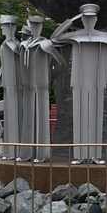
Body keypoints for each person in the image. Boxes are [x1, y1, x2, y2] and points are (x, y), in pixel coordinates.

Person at [52, 4, 107, 165]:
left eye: (91, 18)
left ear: (95, 19)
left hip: (97, 81)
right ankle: (79, 156)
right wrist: (72, 20)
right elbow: (55, 37)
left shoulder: (106, 37)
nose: (89, 21)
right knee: (79, 117)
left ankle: (95, 155)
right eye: (86, 18)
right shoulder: (76, 35)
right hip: (79, 82)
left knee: (96, 117)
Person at [19, 15, 64, 162]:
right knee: (28, 118)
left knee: (41, 119)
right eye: (33, 25)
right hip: (28, 85)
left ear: (41, 27)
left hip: (42, 85)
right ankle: (26, 153)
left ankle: (41, 154)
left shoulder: (46, 44)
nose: (35, 28)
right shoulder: (24, 45)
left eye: (38, 25)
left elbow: (61, 63)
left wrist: (50, 76)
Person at [0, 15, 23, 160]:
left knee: (16, 118)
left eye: (4, 27)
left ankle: (17, 150)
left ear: (11, 28)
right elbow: (3, 67)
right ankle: (8, 150)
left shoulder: (17, 46)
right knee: (9, 119)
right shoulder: (4, 45)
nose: (2, 29)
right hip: (7, 88)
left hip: (17, 87)